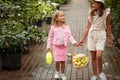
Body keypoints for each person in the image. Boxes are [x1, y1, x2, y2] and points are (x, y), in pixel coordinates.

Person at [79, 0, 112, 80]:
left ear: (100, 4)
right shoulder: (91, 12)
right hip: (91, 35)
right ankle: (94, 74)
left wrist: (109, 38)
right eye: (92, 3)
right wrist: (82, 39)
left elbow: (108, 26)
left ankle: (100, 72)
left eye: (94, 3)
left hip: (101, 34)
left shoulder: (106, 13)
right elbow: (88, 26)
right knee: (93, 56)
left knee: (99, 55)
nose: (92, 4)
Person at [46, 10, 79, 80]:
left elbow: (70, 36)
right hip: (56, 47)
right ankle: (57, 72)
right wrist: (48, 46)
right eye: (61, 16)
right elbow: (50, 37)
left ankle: (62, 74)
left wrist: (74, 42)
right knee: (58, 61)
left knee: (63, 61)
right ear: (56, 18)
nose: (63, 17)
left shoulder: (66, 27)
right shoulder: (53, 27)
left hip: (64, 47)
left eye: (63, 15)